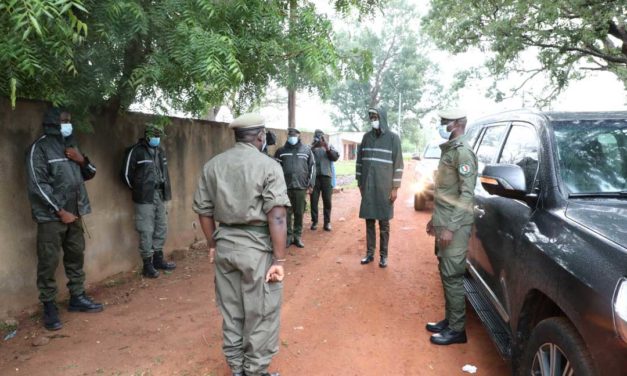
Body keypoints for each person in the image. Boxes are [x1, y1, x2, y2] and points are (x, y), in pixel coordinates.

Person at [193, 113, 290, 376]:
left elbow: (204, 210)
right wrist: (279, 261)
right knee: (261, 313)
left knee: (232, 312)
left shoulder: (213, 165)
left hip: (225, 246)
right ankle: (255, 371)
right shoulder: (269, 166)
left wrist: (212, 245)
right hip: (256, 249)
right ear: (260, 136)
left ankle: (237, 369)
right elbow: (277, 216)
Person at [26, 107, 103, 331]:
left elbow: (91, 172)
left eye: (69, 120)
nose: (67, 124)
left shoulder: (72, 146)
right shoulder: (38, 149)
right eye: (63, 121)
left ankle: (77, 297)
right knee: (48, 261)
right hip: (52, 217)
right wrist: (60, 211)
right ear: (51, 123)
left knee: (75, 256)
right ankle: (49, 306)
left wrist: (81, 160)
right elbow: (37, 185)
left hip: (75, 212)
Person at [425, 108, 477, 346]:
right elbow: (445, 194)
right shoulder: (451, 151)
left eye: (444, 122)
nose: (442, 125)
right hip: (444, 222)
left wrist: (450, 228)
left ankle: (457, 330)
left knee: (453, 276)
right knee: (446, 274)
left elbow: (467, 195)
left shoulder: (463, 153)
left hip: (454, 227)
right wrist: (434, 222)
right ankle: (450, 320)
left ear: (456, 124)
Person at [121, 123, 176, 278]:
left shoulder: (160, 151)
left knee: (162, 226)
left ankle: (158, 259)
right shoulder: (136, 151)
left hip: (160, 193)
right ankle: (147, 265)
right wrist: (138, 189)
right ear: (147, 135)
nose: (157, 138)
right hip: (144, 196)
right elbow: (125, 175)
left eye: (159, 135)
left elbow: (164, 173)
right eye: (154, 135)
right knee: (146, 229)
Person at [356, 108, 403, 268]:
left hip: (384, 188)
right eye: (371, 117)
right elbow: (359, 162)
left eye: (375, 117)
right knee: (369, 221)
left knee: (384, 223)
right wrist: (360, 183)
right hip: (368, 187)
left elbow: (398, 165)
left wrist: (395, 188)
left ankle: (384, 256)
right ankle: (370, 253)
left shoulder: (393, 139)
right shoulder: (366, 138)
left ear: (382, 118)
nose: (373, 120)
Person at [274, 128, 315, 248]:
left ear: (298, 136)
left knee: (299, 212)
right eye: (290, 135)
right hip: (285, 188)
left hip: (301, 187)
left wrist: (310, 184)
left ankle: (297, 236)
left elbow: (312, 167)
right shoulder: (281, 151)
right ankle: (288, 237)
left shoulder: (306, 150)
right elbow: (276, 169)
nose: (292, 137)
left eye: (294, 135)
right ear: (287, 136)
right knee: (286, 213)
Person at [310, 129, 339, 231]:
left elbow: (335, 157)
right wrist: (314, 146)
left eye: (321, 137)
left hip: (326, 177)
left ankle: (327, 223)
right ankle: (314, 222)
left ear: (324, 137)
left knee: (327, 201)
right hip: (314, 178)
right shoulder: (311, 147)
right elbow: (307, 158)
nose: (319, 139)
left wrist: (326, 148)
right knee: (314, 201)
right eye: (317, 136)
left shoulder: (329, 146)